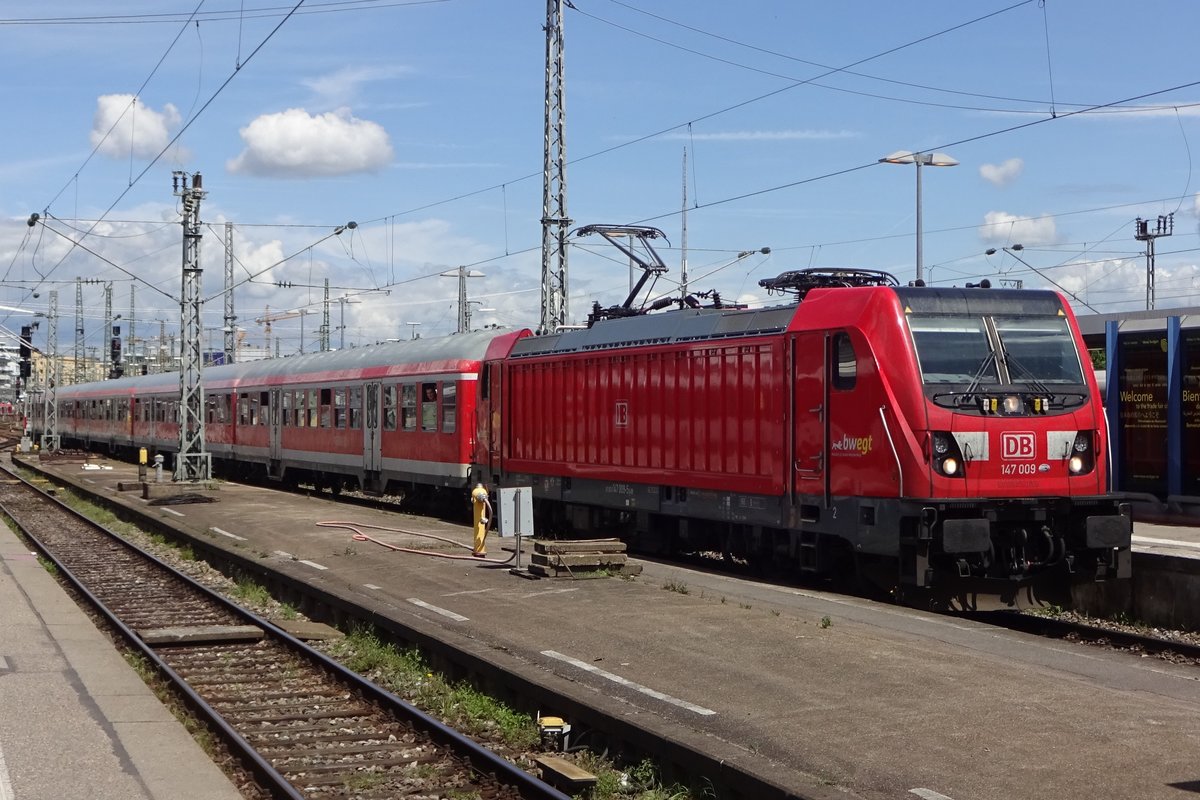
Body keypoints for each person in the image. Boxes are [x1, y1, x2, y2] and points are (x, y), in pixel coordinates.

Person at [471, 482, 492, 557]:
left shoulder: (477, 492)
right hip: (481, 518)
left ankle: (479, 549)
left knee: (480, 524)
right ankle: (479, 549)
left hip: (481, 519)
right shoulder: (479, 493)